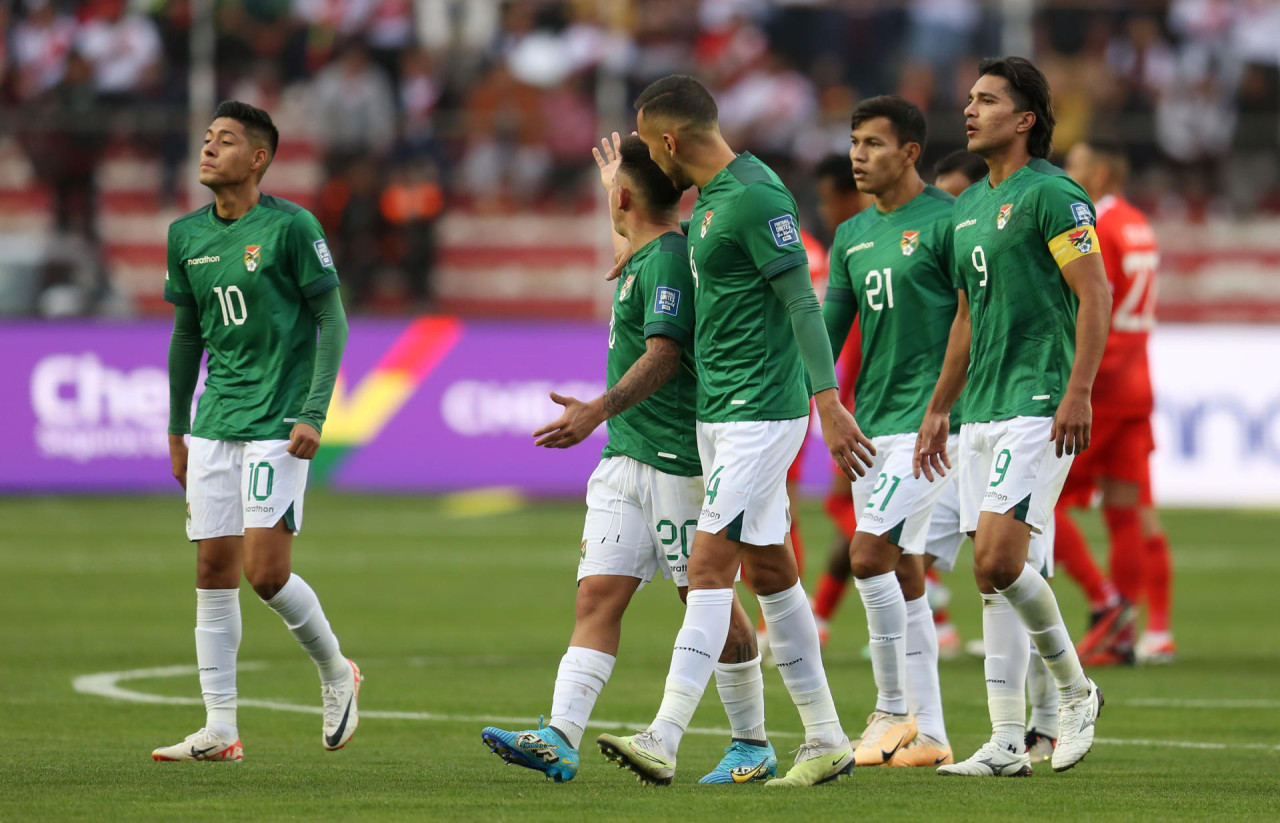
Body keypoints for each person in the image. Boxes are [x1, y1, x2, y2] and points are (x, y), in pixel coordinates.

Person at [598, 74, 876, 788]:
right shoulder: (714, 204)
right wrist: (628, 235)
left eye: (646, 143)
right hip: (720, 413)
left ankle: (664, 734)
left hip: (760, 412)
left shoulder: (755, 196)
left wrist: (829, 401)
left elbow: (801, 304)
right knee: (774, 570)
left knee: (707, 567)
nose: (645, 161)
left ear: (669, 142)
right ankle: (826, 737)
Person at [481, 134, 773, 784]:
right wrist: (620, 177)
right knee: (598, 596)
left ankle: (752, 740)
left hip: (675, 462)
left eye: (613, 195)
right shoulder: (646, 251)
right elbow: (632, 229)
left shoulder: (667, 258)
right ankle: (560, 735)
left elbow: (666, 354)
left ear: (621, 200)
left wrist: (597, 408)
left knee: (708, 599)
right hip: (625, 461)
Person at [914, 57, 1111, 776]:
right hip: (981, 409)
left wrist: (1078, 389)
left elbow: (1095, 293)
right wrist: (941, 406)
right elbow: (965, 315)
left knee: (1002, 558)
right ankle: (1004, 742)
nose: (970, 110)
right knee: (990, 578)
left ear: (1026, 119)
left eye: (988, 100)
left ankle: (1076, 690)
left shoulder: (1055, 196)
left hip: (1038, 398)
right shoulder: (967, 208)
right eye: (968, 98)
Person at [155, 101, 358, 762]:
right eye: (207, 138)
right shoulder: (185, 235)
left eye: (226, 141)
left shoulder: (291, 227)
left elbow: (334, 322)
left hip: (277, 420)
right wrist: (177, 426)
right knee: (213, 569)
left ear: (259, 157)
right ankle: (220, 726)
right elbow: (186, 336)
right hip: (215, 421)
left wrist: (314, 411)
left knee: (265, 573)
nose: (209, 148)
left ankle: (336, 669)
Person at [822, 96, 960, 769]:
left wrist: (946, 404)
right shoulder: (850, 236)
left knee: (868, 555)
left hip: (936, 426)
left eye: (873, 143)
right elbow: (826, 335)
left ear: (910, 152)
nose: (858, 155)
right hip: (872, 429)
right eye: (854, 142)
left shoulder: (949, 220)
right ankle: (930, 732)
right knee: (904, 569)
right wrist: (823, 403)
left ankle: (891, 707)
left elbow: (976, 318)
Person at [1057, 138, 1174, 665]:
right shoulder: (1138, 222)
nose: (1066, 172)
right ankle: (1123, 630)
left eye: (1075, 165)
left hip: (1102, 385)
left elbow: (1091, 299)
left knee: (1034, 503)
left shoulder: (1097, 226)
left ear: (1101, 171)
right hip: (1137, 383)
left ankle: (1104, 606)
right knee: (1126, 511)